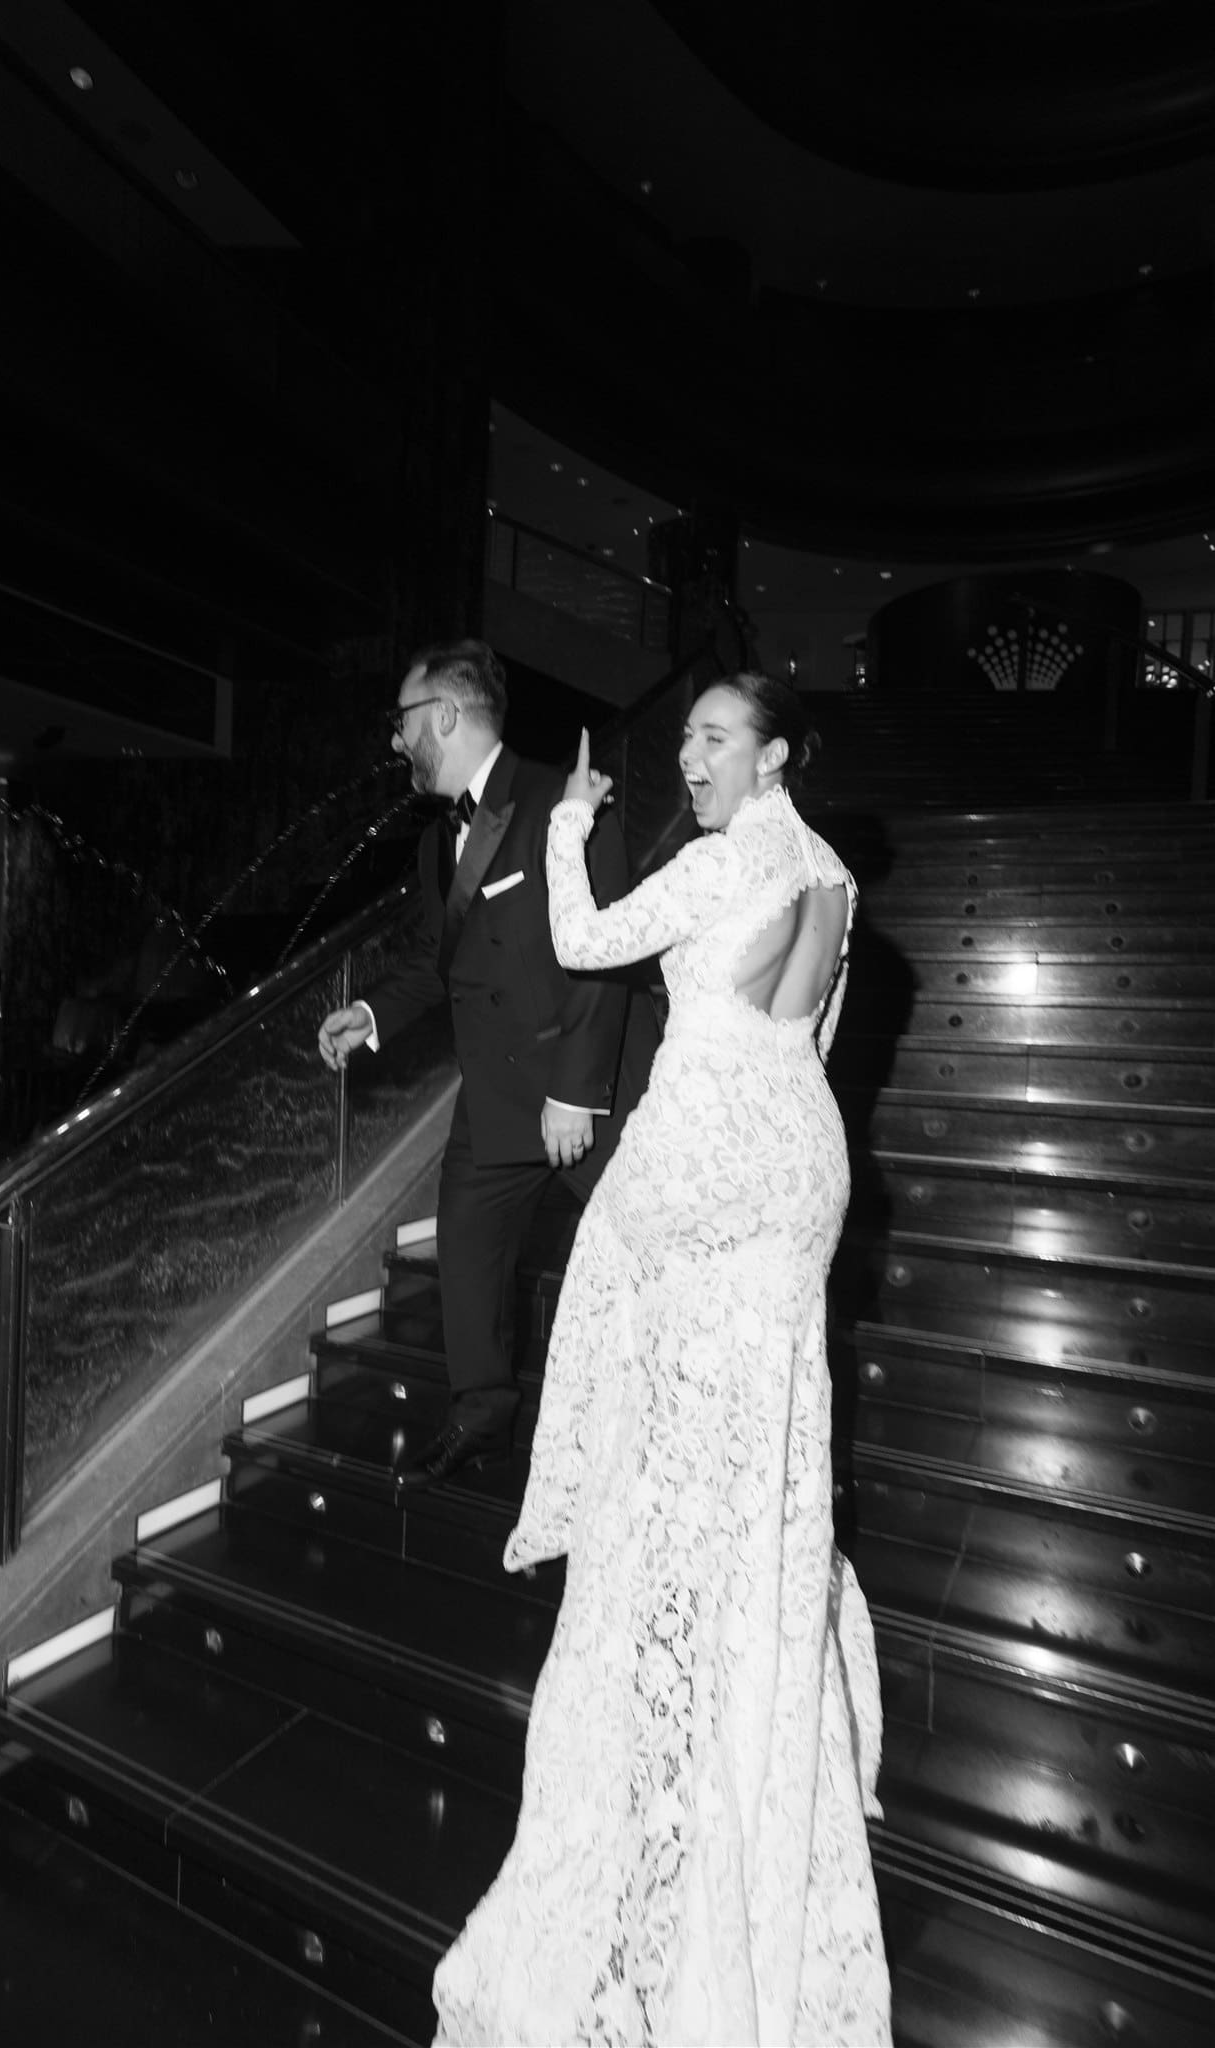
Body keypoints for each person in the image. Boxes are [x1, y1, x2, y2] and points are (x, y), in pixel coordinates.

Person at [432, 675, 892, 2046]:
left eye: (714, 737)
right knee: (761, 1438)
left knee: (665, 1446)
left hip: (709, 1168)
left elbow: (582, 941)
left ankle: (682, 1694)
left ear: (772, 754)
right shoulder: (833, 877)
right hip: (800, 1165)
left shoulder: (714, 862)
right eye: (684, 734)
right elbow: (805, 1039)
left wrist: (569, 822)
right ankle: (754, 1665)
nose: (690, 756)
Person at [317, 639, 656, 1491]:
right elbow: (441, 957)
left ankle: (666, 1429)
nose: (396, 740)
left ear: (444, 715)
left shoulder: (567, 802)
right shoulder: (438, 843)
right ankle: (480, 1419)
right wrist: (372, 1015)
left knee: (656, 1258)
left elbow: (608, 958)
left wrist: (575, 1093)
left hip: (590, 1094)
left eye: (403, 721)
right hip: (496, 1099)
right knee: (467, 1258)